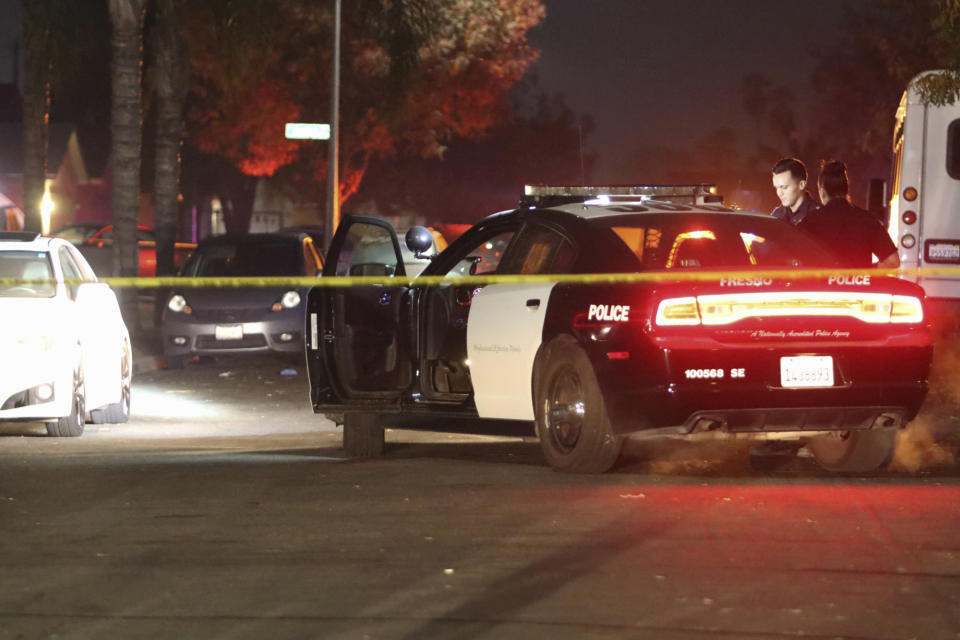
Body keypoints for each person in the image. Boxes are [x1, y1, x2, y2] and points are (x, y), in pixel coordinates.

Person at [798, 160, 900, 269]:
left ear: (822, 191)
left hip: (820, 285)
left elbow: (794, 259)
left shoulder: (809, 222)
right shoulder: (866, 220)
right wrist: (866, 270)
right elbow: (893, 262)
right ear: (846, 190)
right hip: (858, 285)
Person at [771, 157, 818, 225]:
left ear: (801, 185)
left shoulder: (817, 214)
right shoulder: (776, 214)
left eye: (784, 187)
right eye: (776, 188)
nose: (779, 193)